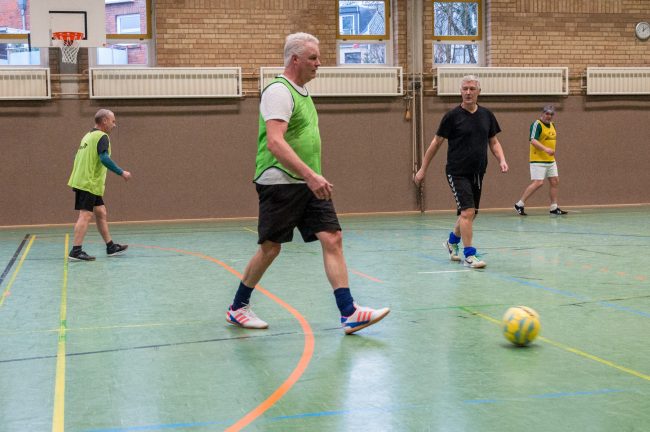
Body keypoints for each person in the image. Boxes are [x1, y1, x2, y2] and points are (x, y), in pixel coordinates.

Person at [225, 32, 389, 335]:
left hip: (308, 182)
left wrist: (312, 177)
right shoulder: (279, 91)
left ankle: (349, 312)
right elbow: (275, 142)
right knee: (270, 248)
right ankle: (237, 307)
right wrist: (310, 175)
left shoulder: (302, 92)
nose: (319, 63)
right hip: (280, 181)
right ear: (295, 59)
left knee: (333, 238)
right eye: (313, 57)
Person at [414, 75, 508, 269]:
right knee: (467, 212)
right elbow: (435, 143)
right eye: (465, 89)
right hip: (457, 172)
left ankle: (451, 242)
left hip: (478, 172)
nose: (468, 92)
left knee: (471, 214)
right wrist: (423, 169)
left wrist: (502, 159)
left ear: (478, 92)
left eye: (472, 89)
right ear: (460, 92)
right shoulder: (452, 116)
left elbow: (493, 141)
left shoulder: (487, 115)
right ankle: (469, 255)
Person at [67, 109, 131, 261]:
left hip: (88, 182)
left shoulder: (87, 136)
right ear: (104, 121)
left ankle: (110, 246)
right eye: (113, 121)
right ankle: (76, 251)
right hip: (88, 182)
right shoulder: (102, 137)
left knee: (101, 212)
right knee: (86, 214)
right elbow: (104, 158)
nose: (114, 125)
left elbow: (76, 156)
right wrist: (121, 172)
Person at [514, 105, 568, 216]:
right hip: (538, 160)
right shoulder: (537, 124)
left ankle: (554, 207)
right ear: (542, 113)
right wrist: (545, 149)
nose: (549, 116)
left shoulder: (552, 125)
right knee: (538, 183)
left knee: (555, 181)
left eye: (551, 114)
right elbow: (533, 140)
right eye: (547, 113)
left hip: (550, 160)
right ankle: (519, 204)